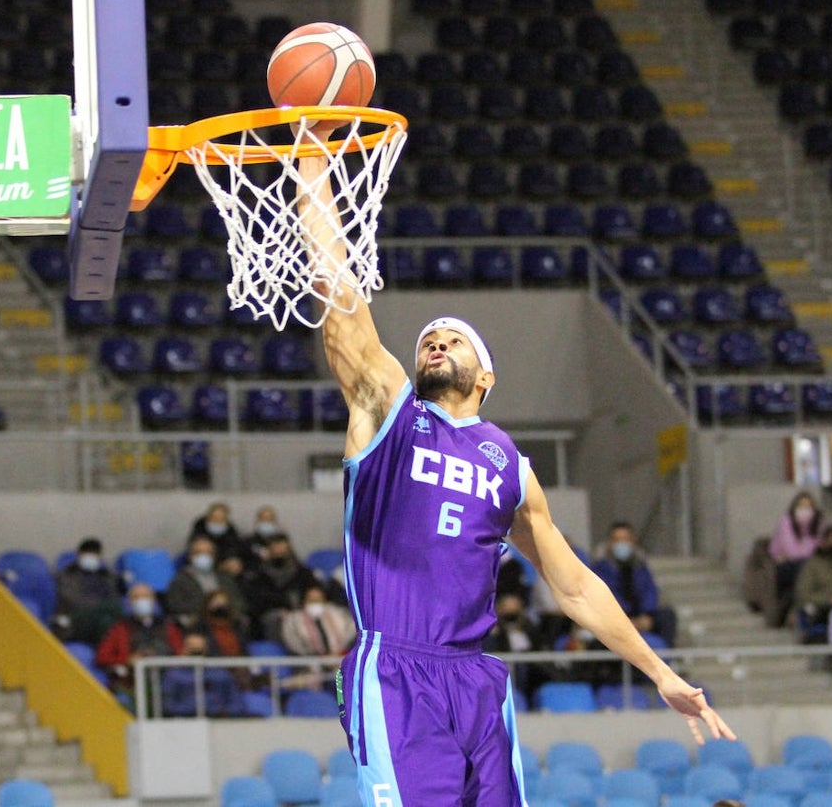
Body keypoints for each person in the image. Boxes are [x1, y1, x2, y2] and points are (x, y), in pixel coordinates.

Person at [292, 149, 734, 804]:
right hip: (395, 669)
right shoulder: (389, 409)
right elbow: (343, 307)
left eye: (454, 339)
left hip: (475, 679)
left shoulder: (511, 467)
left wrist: (659, 671)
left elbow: (577, 586)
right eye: (428, 341)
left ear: (486, 376)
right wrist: (313, 169)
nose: (436, 343)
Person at [590, 522, 678, 646]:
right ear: (610, 543)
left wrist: (646, 615)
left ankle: (666, 659)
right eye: (617, 540)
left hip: (639, 616)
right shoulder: (600, 569)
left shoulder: (640, 567)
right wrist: (626, 621)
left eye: (625, 539)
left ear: (633, 541)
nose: (622, 544)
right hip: (614, 619)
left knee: (667, 616)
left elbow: (649, 591)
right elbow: (606, 597)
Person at [96, 582, 184, 705]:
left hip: (166, 680)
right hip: (131, 683)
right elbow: (102, 657)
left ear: (154, 601)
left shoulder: (168, 626)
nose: (142, 601)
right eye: (136, 598)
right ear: (129, 602)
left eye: (146, 597)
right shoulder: (119, 628)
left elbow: (180, 653)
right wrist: (128, 660)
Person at [244, 533, 318, 642]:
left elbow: (314, 592)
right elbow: (256, 602)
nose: (280, 552)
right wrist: (282, 608)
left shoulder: (303, 573)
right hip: (270, 616)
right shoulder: (257, 575)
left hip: (301, 613)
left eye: (283, 548)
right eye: (275, 548)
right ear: (269, 551)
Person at [768, 491, 827, 627]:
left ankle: (801, 605)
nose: (804, 510)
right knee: (803, 567)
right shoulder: (786, 521)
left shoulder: (819, 524)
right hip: (785, 567)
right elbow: (792, 551)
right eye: (801, 506)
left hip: (810, 567)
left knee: (806, 568)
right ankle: (807, 605)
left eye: (808, 507)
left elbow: (820, 548)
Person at [164, 536, 247, 629]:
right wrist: (208, 605)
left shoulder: (224, 578)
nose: (204, 557)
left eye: (208, 553)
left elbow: (238, 602)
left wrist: (227, 607)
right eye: (199, 553)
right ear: (191, 556)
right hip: (198, 625)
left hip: (226, 622)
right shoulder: (180, 581)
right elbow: (176, 607)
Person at [51, 537, 122, 643]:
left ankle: (106, 655)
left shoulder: (107, 576)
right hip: (74, 620)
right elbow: (71, 599)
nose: (91, 557)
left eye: (95, 554)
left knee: (106, 621)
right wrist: (98, 606)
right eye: (88, 554)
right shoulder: (67, 575)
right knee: (113, 609)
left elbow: (114, 597)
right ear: (79, 555)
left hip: (98, 621)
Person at [281, 584, 356, 658]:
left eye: (318, 600)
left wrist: (338, 652)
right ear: (304, 601)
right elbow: (292, 641)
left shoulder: (339, 614)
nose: (315, 603)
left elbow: (351, 631)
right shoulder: (293, 620)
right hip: (308, 663)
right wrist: (313, 656)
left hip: (339, 659)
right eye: (312, 600)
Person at [185, 503, 254, 567]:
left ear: (226, 521)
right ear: (207, 519)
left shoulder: (233, 538)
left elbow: (234, 554)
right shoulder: (197, 535)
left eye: (221, 520)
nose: (217, 522)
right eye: (214, 519)